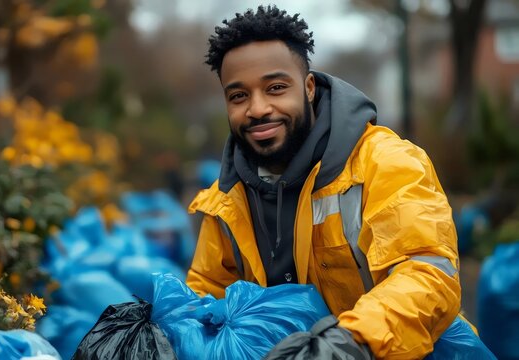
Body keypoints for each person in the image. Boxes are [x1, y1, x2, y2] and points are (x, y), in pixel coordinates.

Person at [186, 5, 461, 359]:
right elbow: (208, 293)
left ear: (309, 87)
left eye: (275, 88)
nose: (257, 108)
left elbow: (427, 273)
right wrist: (173, 331)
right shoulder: (225, 199)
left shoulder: (385, 162)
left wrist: (350, 342)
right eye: (239, 96)